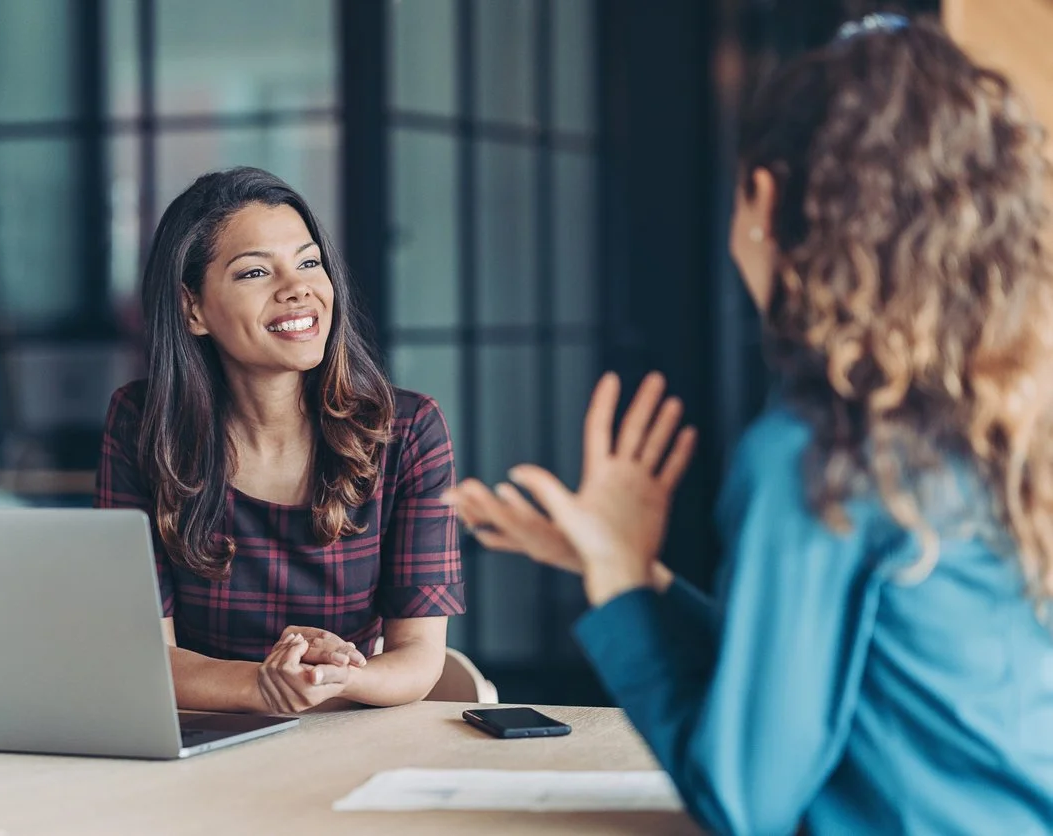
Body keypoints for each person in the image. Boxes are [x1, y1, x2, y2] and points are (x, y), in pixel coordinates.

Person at [447, 14, 1053, 834]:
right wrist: (634, 576)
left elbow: (744, 800)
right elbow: (837, 675)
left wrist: (622, 583)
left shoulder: (822, 453)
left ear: (763, 197)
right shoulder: (1004, 421)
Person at [97, 167, 465, 715]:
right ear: (192, 308)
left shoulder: (407, 430)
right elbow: (143, 652)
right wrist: (263, 685)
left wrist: (334, 676)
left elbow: (418, 655)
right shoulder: (141, 425)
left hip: (348, 732)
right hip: (202, 737)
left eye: (309, 262)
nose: (298, 289)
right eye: (254, 273)